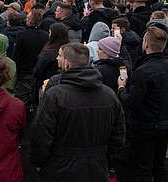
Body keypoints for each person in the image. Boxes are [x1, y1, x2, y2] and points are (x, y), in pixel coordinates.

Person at [30, 43, 126, 181]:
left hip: (60, 168)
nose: (57, 58)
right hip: (96, 168)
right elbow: (118, 135)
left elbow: (41, 134)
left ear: (67, 64)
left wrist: (41, 163)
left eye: (60, 56)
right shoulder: (109, 95)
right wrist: (103, 159)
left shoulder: (55, 95)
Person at [116, 26, 168, 181]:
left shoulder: (143, 71)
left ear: (146, 44)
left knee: (142, 168)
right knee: (159, 166)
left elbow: (132, 102)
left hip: (146, 126)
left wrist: (121, 89)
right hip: (164, 123)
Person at [12, 10, 49, 105]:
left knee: (21, 100)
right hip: (40, 72)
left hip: (24, 72)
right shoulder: (45, 36)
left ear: (29, 20)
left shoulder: (22, 35)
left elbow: (16, 56)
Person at [32, 22, 69, 105]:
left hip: (45, 84)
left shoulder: (48, 52)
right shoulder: (68, 49)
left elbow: (38, 71)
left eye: (50, 32)